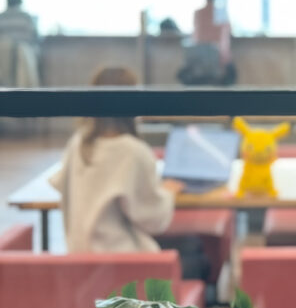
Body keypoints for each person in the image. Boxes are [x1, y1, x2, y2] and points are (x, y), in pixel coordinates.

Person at [48, 66, 208, 280]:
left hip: (80, 263)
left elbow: (61, 184)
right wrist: (168, 192)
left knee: (190, 246)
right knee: (199, 259)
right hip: (122, 267)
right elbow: (153, 220)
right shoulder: (133, 151)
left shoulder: (77, 144)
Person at [0, 0, 40, 87]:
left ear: (7, 3)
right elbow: (36, 39)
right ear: (20, 3)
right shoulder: (26, 18)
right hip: (21, 53)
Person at [188, 0, 236, 84]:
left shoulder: (198, 13)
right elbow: (229, 32)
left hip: (200, 57)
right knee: (232, 73)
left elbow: (194, 34)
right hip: (218, 56)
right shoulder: (221, 13)